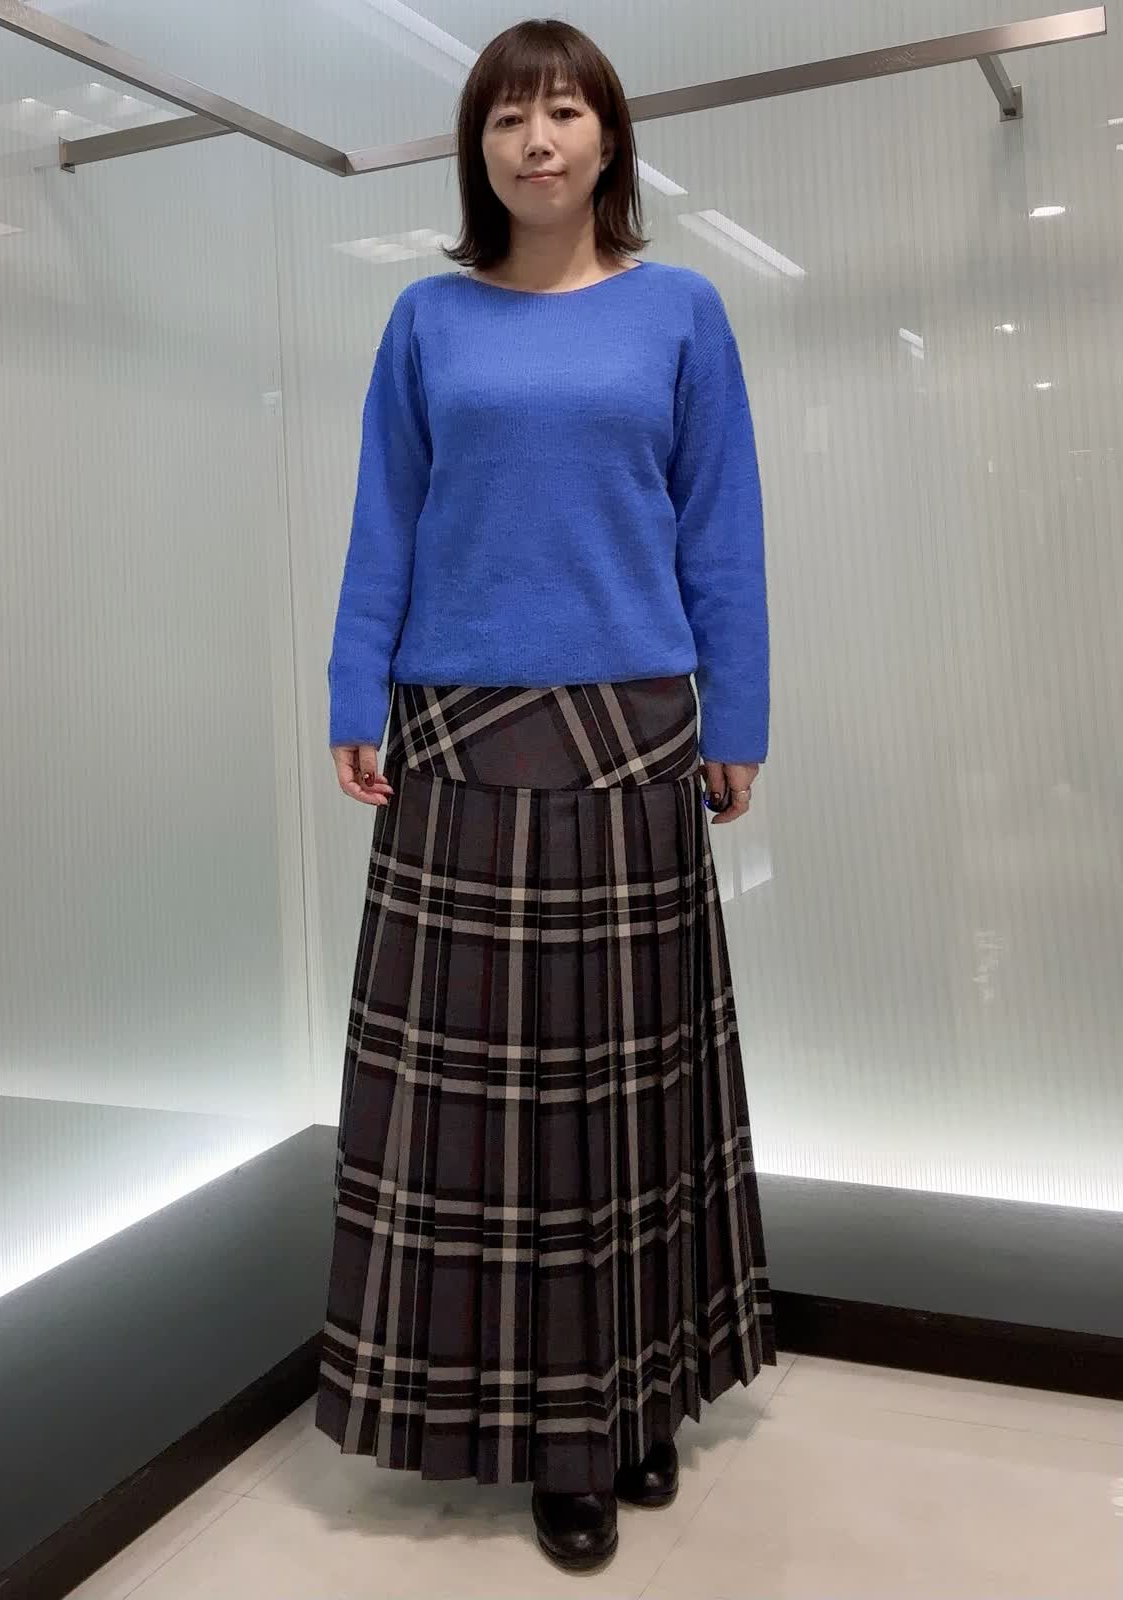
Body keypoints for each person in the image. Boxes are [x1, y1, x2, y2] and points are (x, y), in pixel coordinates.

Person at [317, 16, 776, 1575]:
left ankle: (636, 1399)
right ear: (480, 150)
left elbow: (721, 528)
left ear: (608, 139)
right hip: (458, 735)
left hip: (637, 731)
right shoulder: (427, 320)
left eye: (565, 111)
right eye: (510, 116)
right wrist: (354, 688)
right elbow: (386, 516)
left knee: (632, 1098)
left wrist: (738, 713)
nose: (538, 139)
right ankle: (545, 1440)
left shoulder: (683, 311)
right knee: (489, 1123)